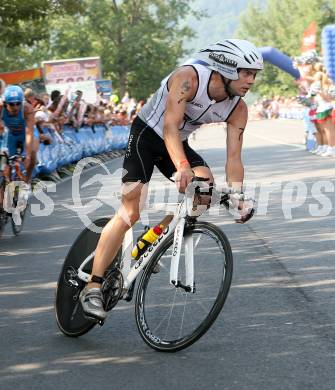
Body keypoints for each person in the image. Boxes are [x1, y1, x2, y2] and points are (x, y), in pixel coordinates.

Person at [79, 39, 264, 321]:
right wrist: (182, 166)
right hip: (147, 136)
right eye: (246, 72)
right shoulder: (188, 78)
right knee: (130, 210)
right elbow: (168, 126)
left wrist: (237, 194)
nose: (251, 80)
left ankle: (151, 239)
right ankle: (93, 286)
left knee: (204, 191)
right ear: (225, 68)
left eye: (255, 74)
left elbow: (234, 157)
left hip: (178, 142)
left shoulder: (238, 108)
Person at [0, 85, 37, 184]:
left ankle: (28, 180)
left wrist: (28, 155)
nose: (15, 107)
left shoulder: (27, 108)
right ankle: (7, 182)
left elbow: (29, 133)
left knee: (33, 155)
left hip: (25, 132)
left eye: (18, 103)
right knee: (5, 160)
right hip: (10, 133)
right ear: (5, 103)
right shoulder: (0, 107)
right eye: (11, 104)